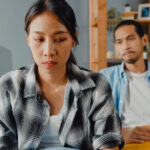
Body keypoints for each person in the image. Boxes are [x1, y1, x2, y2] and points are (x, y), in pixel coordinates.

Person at [0, 0, 123, 149]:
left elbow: (108, 143)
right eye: (39, 39)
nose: (49, 51)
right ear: (28, 40)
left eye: (60, 39)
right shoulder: (8, 85)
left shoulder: (96, 85)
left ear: (73, 39)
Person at [100, 20, 150, 145]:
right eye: (119, 42)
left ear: (144, 40)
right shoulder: (105, 76)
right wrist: (120, 135)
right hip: (124, 142)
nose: (126, 46)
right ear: (116, 46)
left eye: (131, 39)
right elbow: (93, 119)